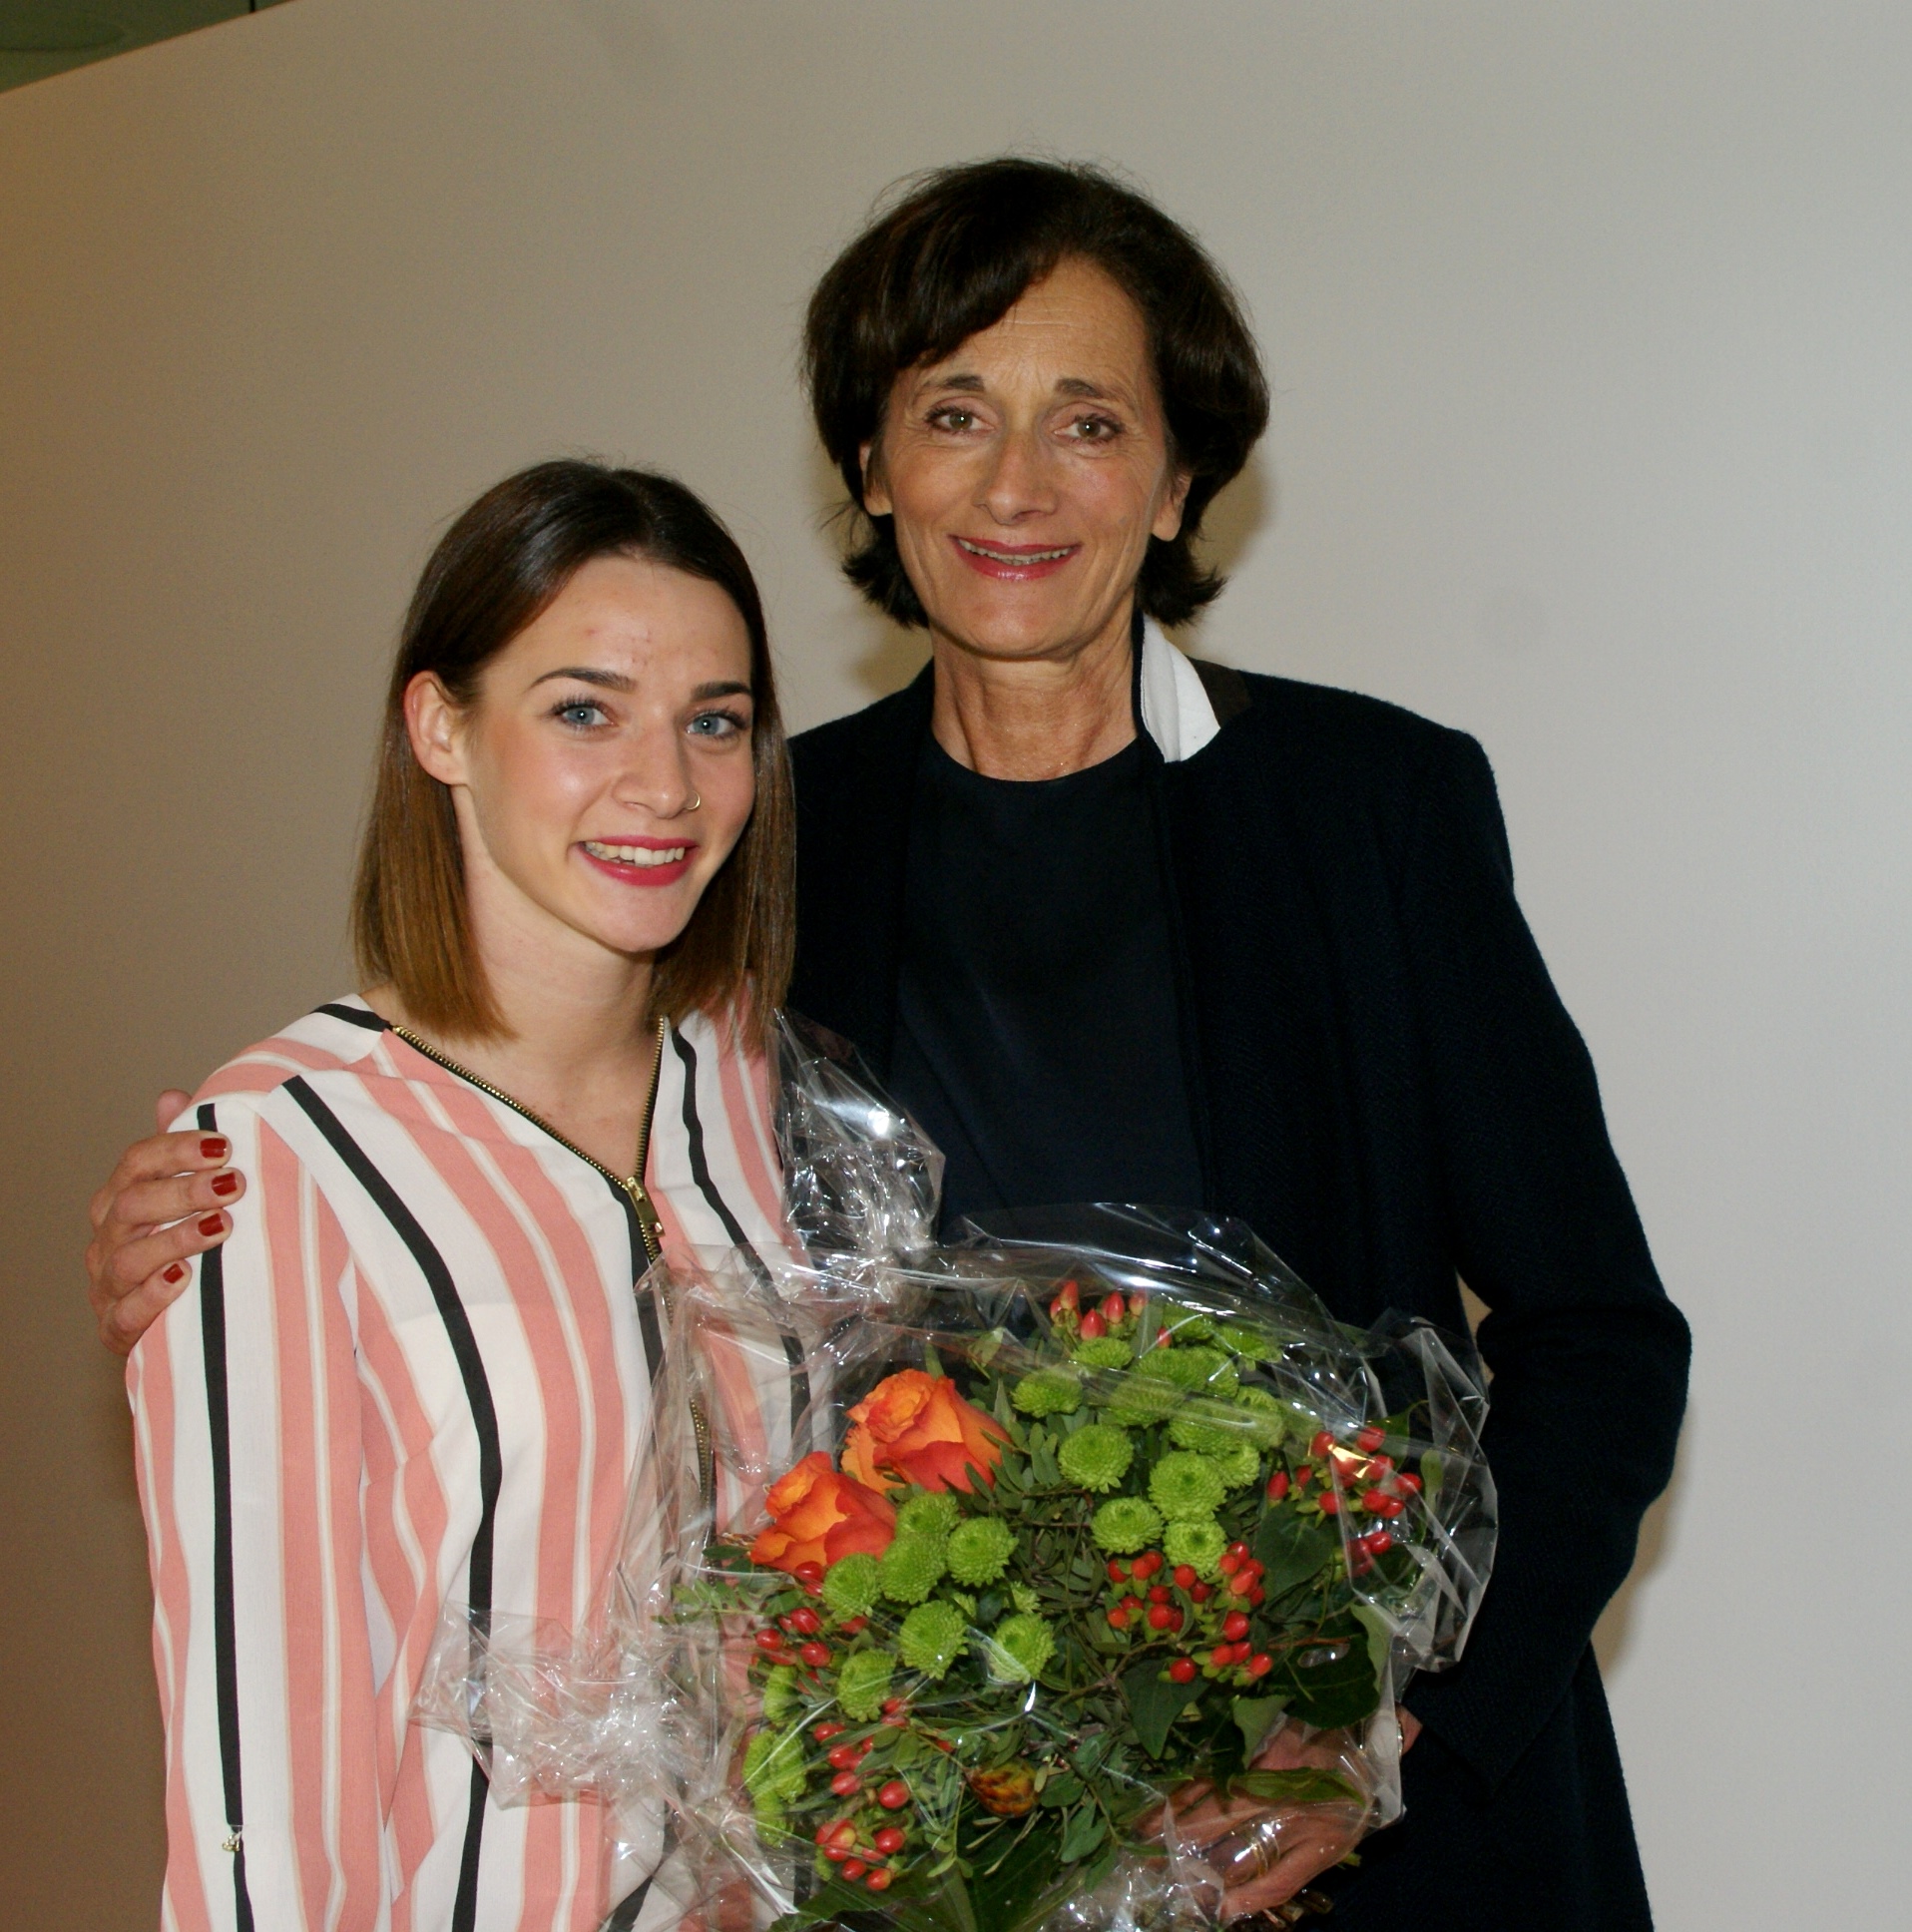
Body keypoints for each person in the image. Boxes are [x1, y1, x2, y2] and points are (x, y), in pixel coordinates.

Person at [89, 160, 1689, 1930]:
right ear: (871, 465)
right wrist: (251, 1210)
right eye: (953, 413)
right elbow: (544, 1089)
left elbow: (1600, 1339)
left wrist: (1378, 1730)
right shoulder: (769, 826)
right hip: (932, 1858)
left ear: (1178, 482)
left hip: (1378, 1850)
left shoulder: (1367, 810)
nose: (1016, 485)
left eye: (1090, 422)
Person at [122, 460, 808, 1932]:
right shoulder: (278, 1152)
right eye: (584, 711)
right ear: (441, 727)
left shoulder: (740, 1073)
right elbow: (261, 1770)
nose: (666, 786)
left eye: (714, 721)